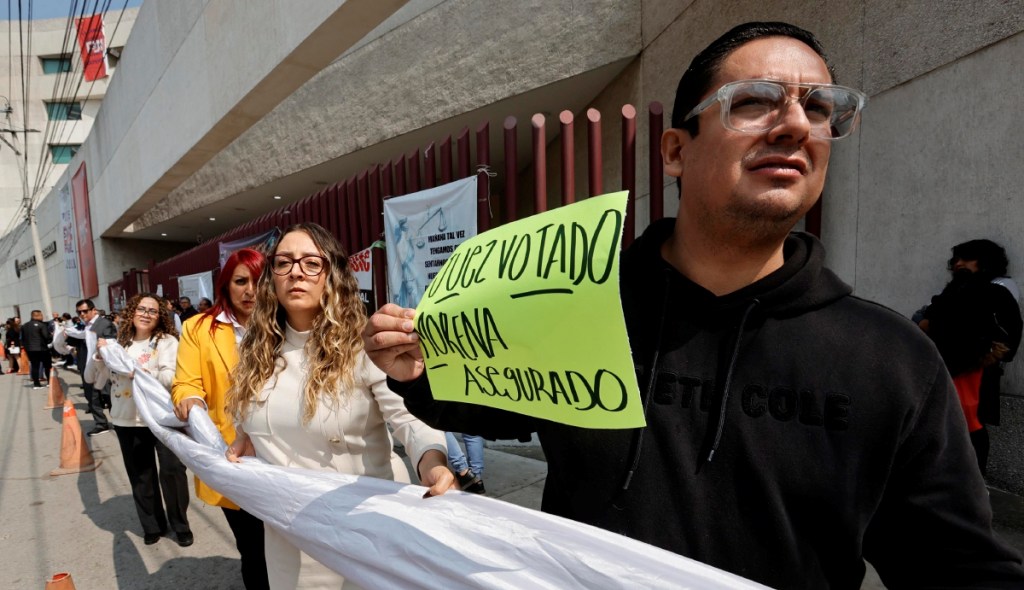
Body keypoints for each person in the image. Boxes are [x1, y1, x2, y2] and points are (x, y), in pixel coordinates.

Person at [362, 21, 1024, 588]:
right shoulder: (574, 303)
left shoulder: (893, 361)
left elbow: (956, 565)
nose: (796, 124)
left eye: (818, 108)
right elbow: (480, 399)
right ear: (676, 150)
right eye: (756, 101)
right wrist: (414, 366)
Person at [225, 223, 453, 590]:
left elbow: (408, 417)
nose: (296, 272)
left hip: (363, 524)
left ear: (333, 274)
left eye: (311, 263)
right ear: (272, 278)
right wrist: (246, 437)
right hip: (290, 533)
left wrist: (432, 461)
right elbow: (255, 415)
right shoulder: (255, 351)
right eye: (284, 263)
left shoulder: (366, 344)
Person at [172, 248, 270, 590]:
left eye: (258, 281)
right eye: (241, 281)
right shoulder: (198, 328)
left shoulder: (286, 323)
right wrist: (189, 398)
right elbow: (185, 382)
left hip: (288, 458)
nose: (250, 291)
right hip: (232, 458)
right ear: (225, 286)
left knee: (295, 550)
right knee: (254, 550)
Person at [95, 294, 193, 547]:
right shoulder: (119, 344)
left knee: (173, 471)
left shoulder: (167, 342)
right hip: (126, 419)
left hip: (162, 418)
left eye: (153, 310)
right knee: (140, 475)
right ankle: (152, 525)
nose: (147, 314)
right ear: (132, 312)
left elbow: (170, 377)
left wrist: (136, 372)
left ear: (160, 316)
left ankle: (180, 523)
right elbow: (95, 380)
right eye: (141, 309)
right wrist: (99, 360)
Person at [920, 239, 1023, 475]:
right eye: (956, 259)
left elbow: (1008, 335)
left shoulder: (997, 291)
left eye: (967, 258)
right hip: (941, 368)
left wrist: (980, 353)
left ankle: (974, 489)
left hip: (974, 372)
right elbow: (926, 321)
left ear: (985, 261)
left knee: (970, 429)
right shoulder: (951, 291)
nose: (959, 263)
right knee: (940, 428)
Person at [63, 299, 117, 436]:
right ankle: (101, 423)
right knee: (91, 397)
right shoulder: (81, 326)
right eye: (79, 312)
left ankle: (117, 421)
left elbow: (112, 344)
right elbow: (72, 341)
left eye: (85, 311)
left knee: (109, 395)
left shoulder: (104, 324)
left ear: (94, 310)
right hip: (86, 366)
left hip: (103, 367)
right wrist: (68, 335)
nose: (82, 314)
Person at [21, 310, 53, 388]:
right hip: (42, 348)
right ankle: (49, 382)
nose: (42, 317)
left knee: (35, 366)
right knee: (47, 366)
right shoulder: (42, 325)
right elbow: (46, 337)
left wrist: (26, 347)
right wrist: (51, 336)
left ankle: (36, 384)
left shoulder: (24, 325)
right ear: (36, 316)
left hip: (30, 349)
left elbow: (22, 338)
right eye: (41, 315)